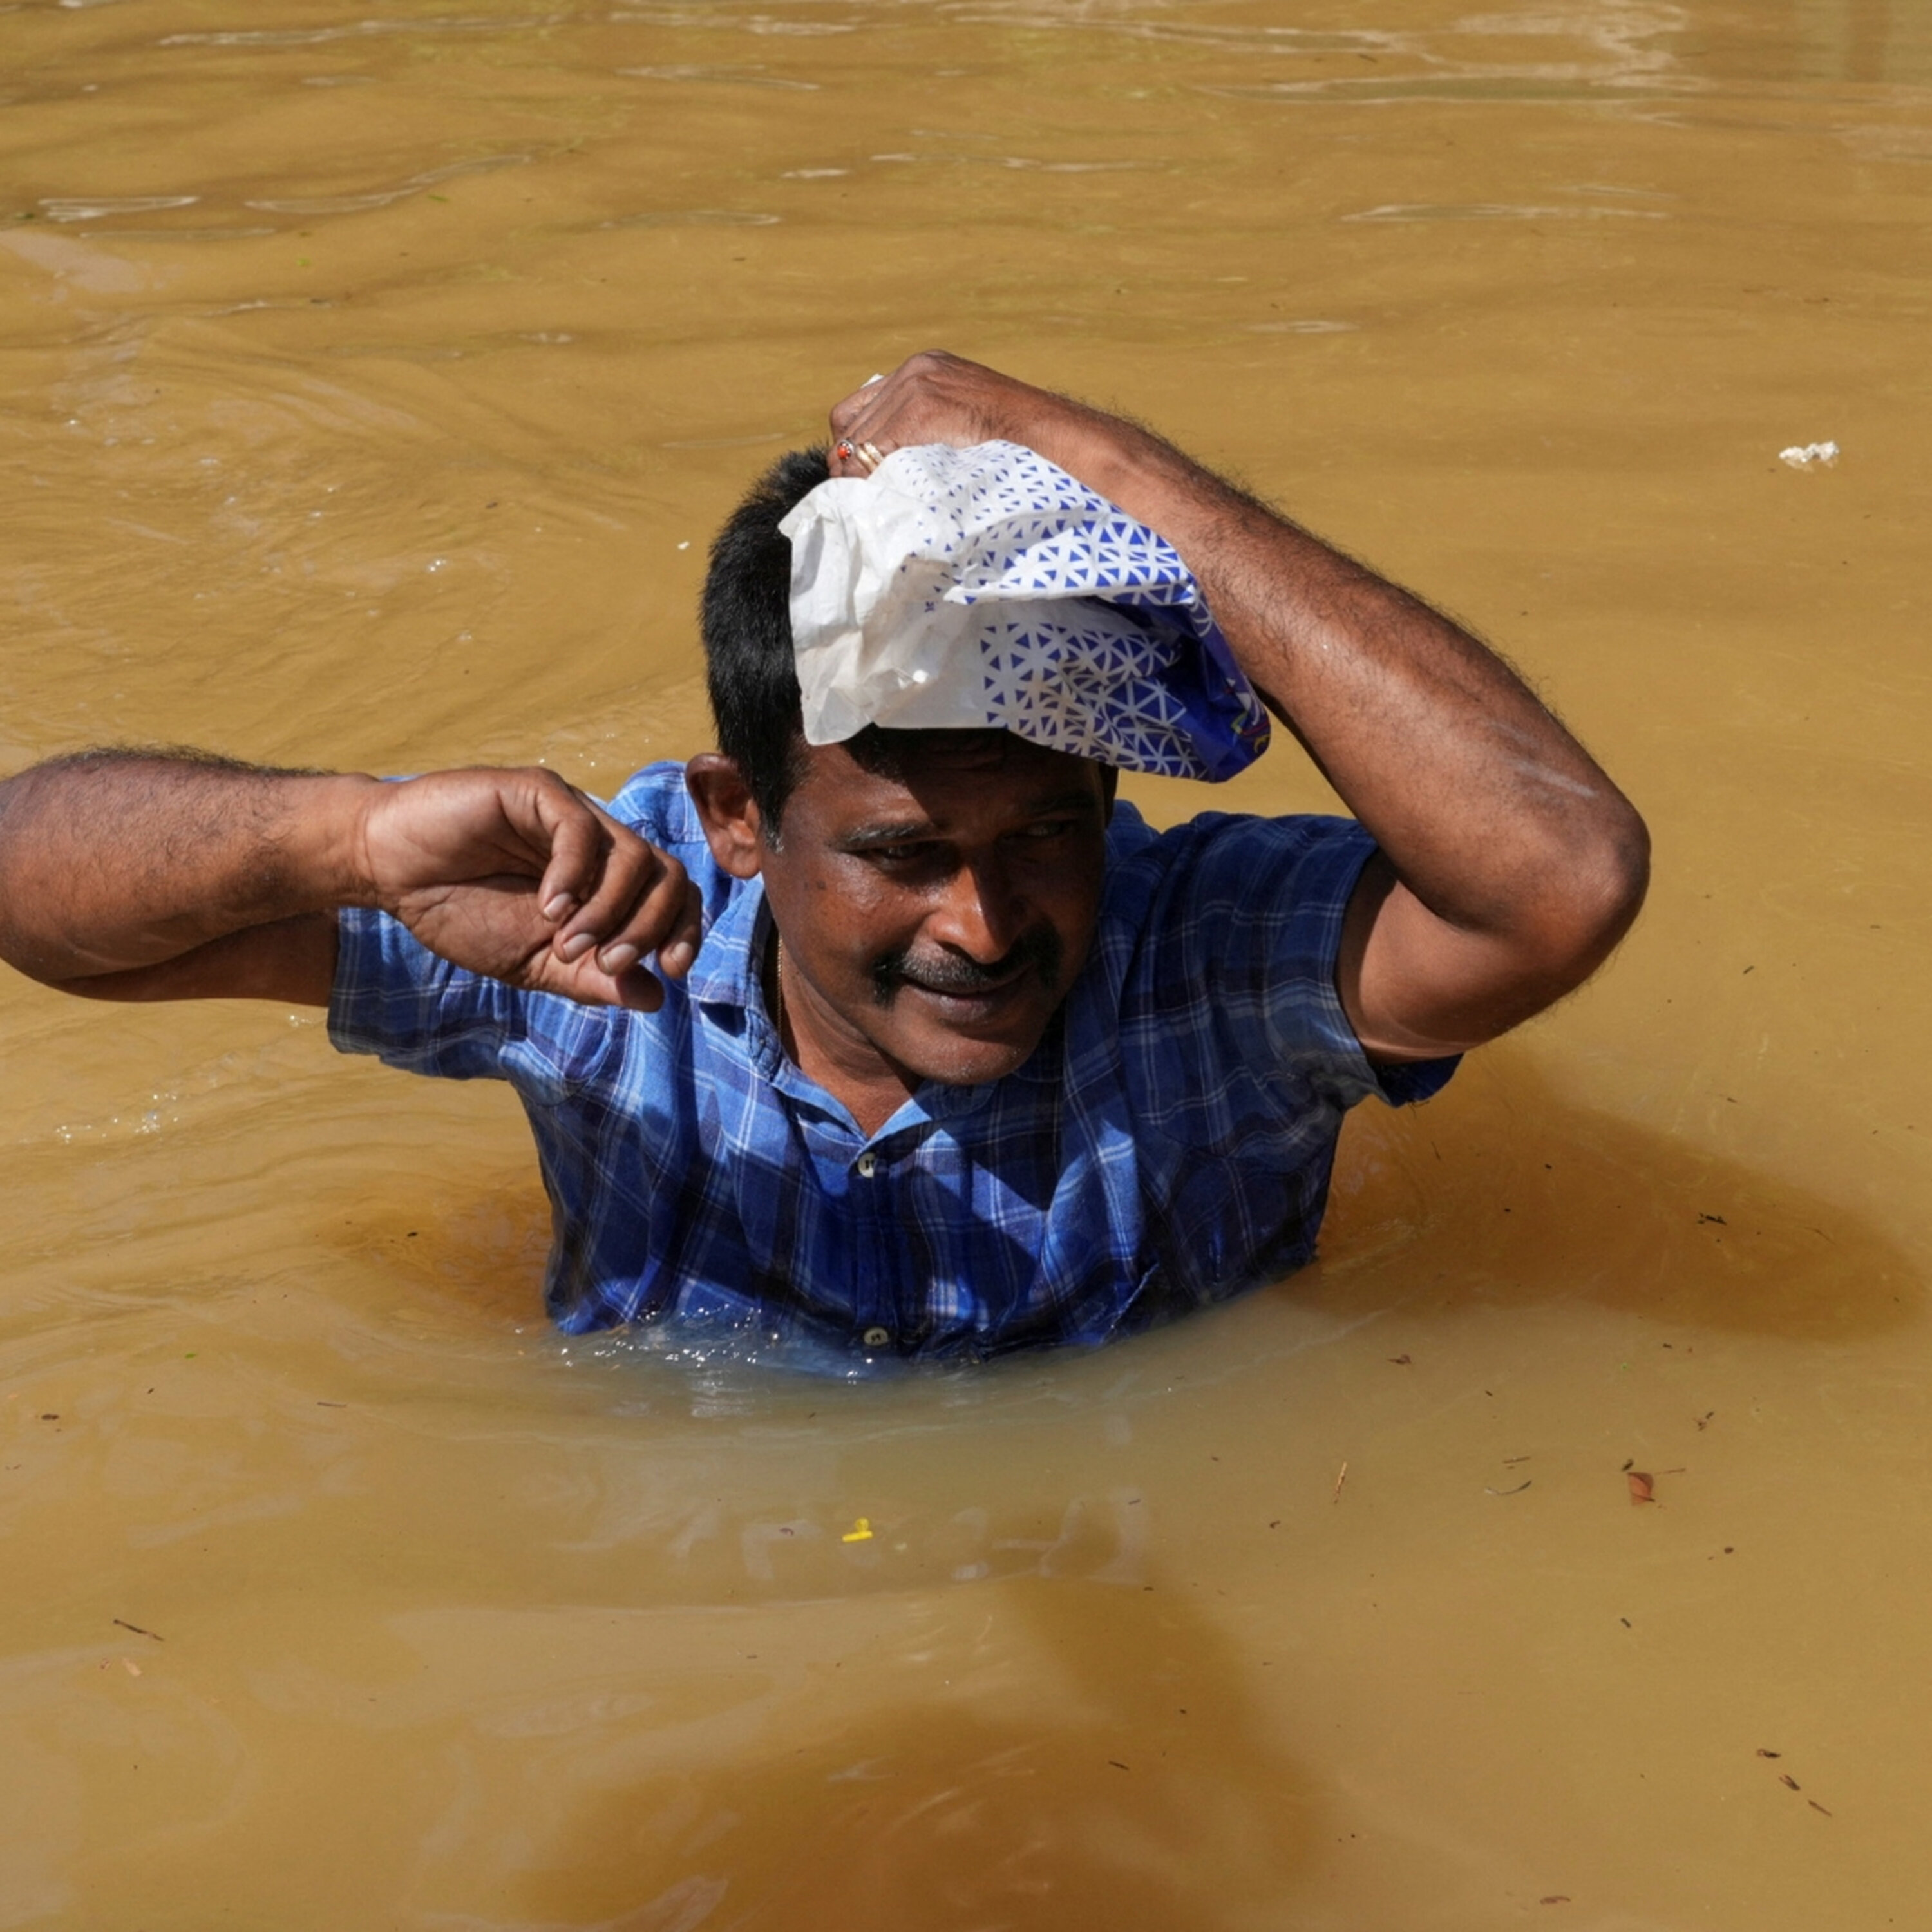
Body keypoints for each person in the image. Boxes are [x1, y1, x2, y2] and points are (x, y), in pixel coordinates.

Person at [0, 353, 1647, 1360]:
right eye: (902, 852)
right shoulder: (599, 925)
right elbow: (34, 896)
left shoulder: (1208, 959)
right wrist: (349, 838)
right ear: (739, 820)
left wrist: (1106, 470)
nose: (984, 923)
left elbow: (1561, 879)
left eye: (1047, 833)